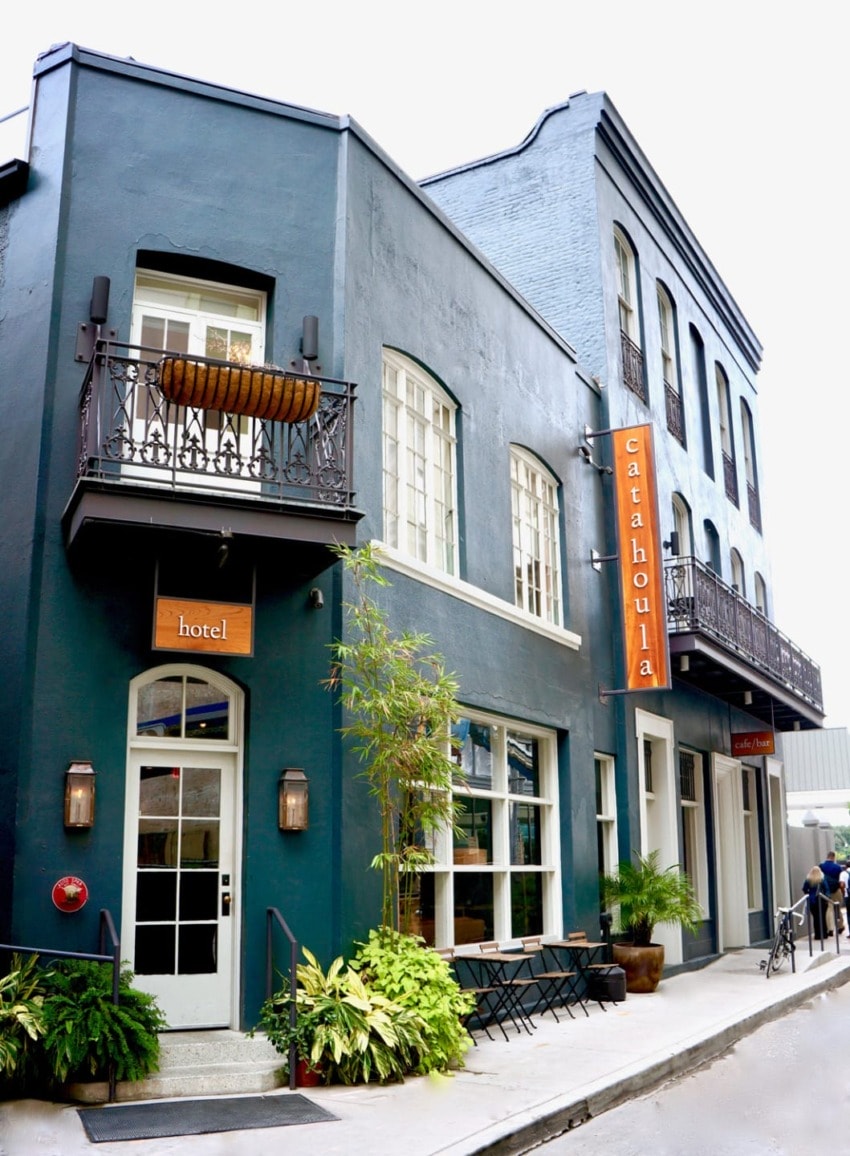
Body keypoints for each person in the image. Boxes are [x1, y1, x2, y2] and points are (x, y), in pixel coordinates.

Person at [819, 851, 845, 934]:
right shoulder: (837, 867)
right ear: (833, 857)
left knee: (829, 909)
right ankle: (840, 926)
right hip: (836, 890)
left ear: (827, 856)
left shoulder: (821, 866)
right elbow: (841, 880)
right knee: (838, 908)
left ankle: (830, 929)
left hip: (826, 892)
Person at [803, 865, 829, 939]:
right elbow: (827, 889)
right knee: (822, 917)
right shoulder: (822, 879)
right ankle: (824, 934)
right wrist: (827, 897)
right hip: (821, 900)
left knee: (815, 918)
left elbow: (804, 888)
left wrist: (808, 894)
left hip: (812, 901)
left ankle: (817, 934)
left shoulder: (808, 879)